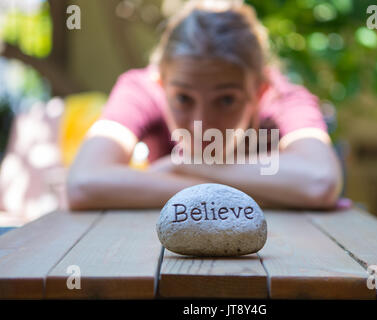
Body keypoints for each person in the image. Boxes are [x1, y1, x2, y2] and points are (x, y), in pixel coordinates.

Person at [67, 0, 345, 210]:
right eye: (183, 99)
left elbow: (320, 181)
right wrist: (270, 193)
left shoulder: (283, 98)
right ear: (161, 85)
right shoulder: (141, 89)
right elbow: (83, 183)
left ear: (258, 93)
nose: (201, 125)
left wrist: (184, 165)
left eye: (226, 100)